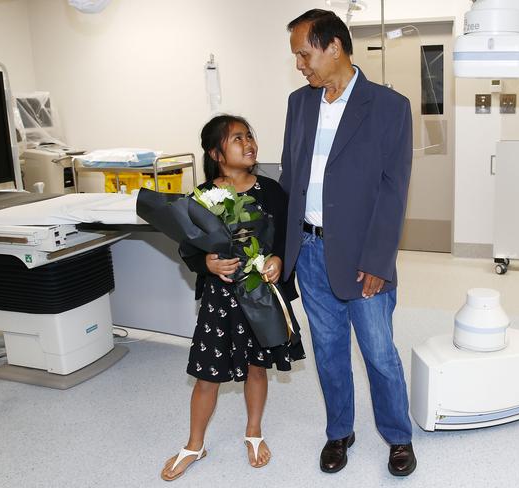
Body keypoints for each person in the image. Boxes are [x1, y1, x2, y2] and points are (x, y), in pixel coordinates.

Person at [280, 9, 416, 477]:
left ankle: (398, 437)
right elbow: (291, 180)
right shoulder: (300, 104)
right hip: (311, 252)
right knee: (329, 350)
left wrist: (379, 259)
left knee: (379, 352)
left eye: (304, 53)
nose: (300, 64)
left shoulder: (388, 107)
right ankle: (340, 431)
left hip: (363, 258)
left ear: (333, 46)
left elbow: (393, 190)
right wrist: (286, 250)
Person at [160, 114, 305, 481]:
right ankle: (195, 444)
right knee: (206, 374)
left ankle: (253, 432)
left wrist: (277, 260)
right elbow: (189, 249)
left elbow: (288, 238)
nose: (249, 143)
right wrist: (207, 262)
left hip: (260, 296)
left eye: (249, 136)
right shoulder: (203, 196)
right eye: (237, 138)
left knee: (257, 367)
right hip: (219, 299)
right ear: (216, 153)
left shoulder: (271, 191)